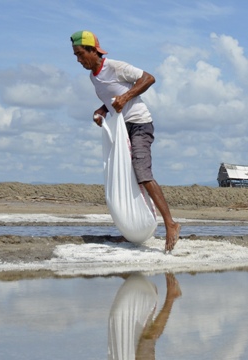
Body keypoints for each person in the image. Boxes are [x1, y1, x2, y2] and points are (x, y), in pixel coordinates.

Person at [71, 30, 180, 252]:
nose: (79, 60)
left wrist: (125, 98)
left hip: (139, 124)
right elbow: (110, 101)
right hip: (122, 129)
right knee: (125, 177)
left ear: (93, 51)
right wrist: (101, 110)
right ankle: (133, 231)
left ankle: (171, 223)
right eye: (76, 56)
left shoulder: (116, 67)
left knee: (141, 171)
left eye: (81, 54)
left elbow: (149, 78)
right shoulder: (93, 77)